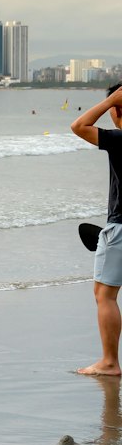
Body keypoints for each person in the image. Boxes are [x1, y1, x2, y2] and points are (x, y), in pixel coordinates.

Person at [71, 85, 122, 376]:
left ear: (116, 111)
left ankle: (110, 362)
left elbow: (79, 125)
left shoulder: (118, 140)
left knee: (105, 294)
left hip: (121, 226)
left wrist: (112, 100)